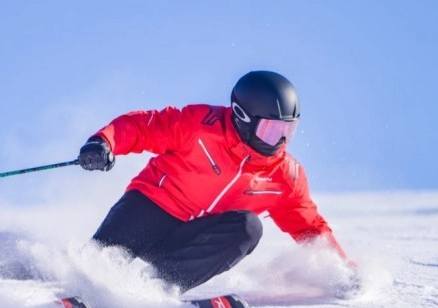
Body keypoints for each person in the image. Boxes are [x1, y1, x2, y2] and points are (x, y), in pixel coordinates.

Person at [78, 71, 352, 295]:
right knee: (94, 267)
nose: (279, 142)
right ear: (243, 117)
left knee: (249, 227)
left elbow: (310, 228)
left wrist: (340, 270)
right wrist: (103, 142)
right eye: (271, 130)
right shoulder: (199, 125)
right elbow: (144, 126)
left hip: (190, 240)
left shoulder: (285, 176)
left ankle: (155, 287)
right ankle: (59, 282)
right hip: (149, 212)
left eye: (287, 131)